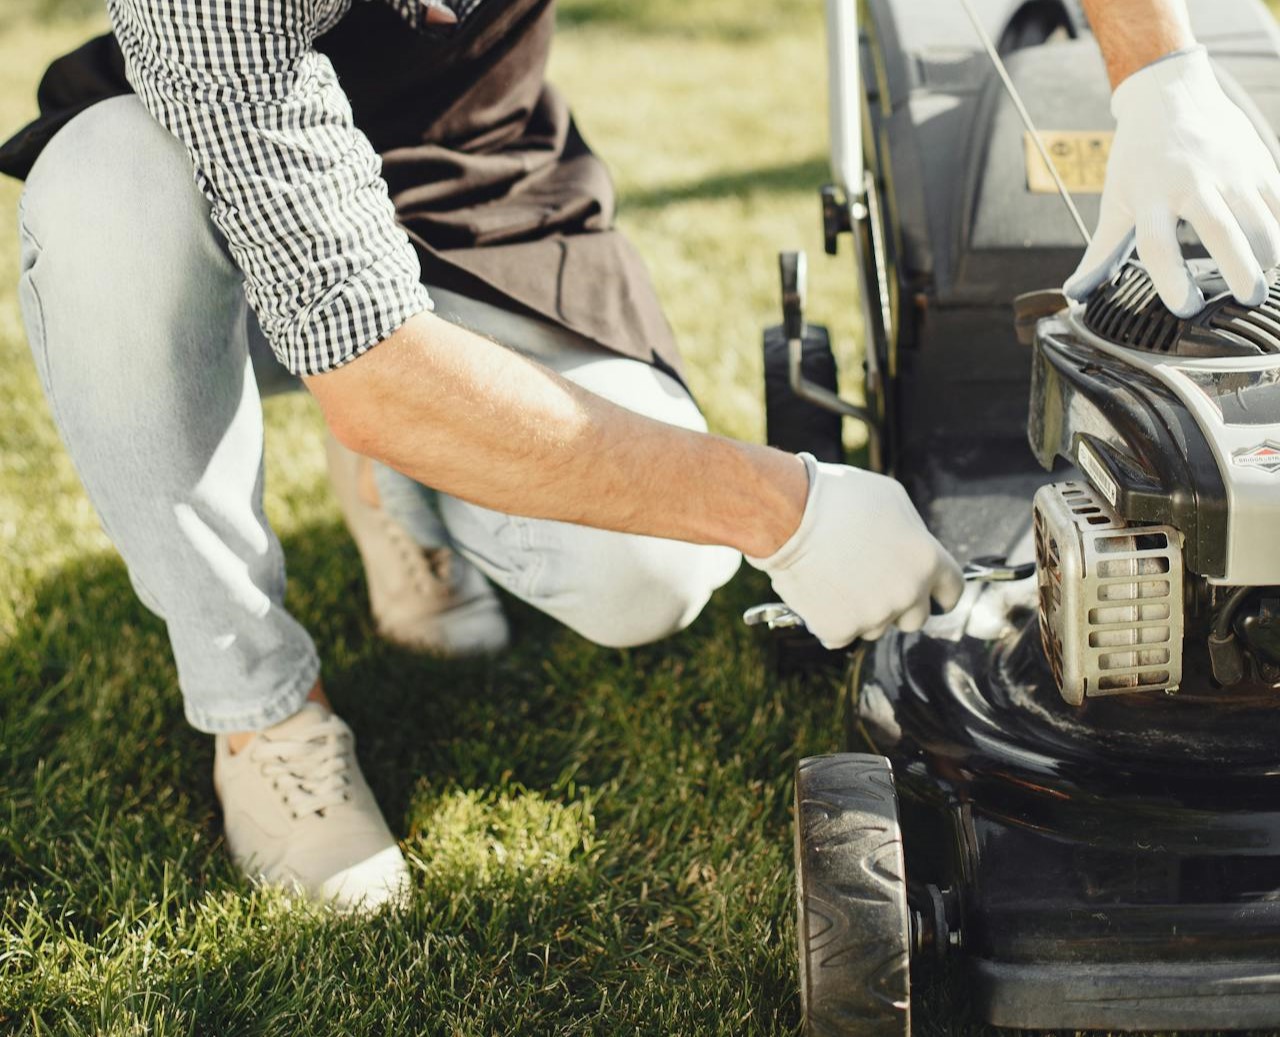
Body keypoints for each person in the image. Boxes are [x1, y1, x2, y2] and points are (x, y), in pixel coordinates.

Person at [1, 0, 1274, 912]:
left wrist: (1155, 67)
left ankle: (400, 475)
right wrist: (787, 507)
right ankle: (259, 711)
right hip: (198, 169)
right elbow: (369, 352)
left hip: (473, 176)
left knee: (646, 576)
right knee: (107, 191)